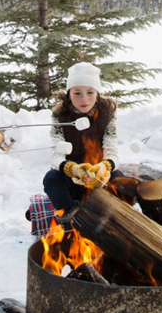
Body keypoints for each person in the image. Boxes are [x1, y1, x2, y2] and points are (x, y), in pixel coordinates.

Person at [43, 62, 120, 216]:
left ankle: (110, 217)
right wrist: (72, 169)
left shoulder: (107, 113)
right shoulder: (60, 115)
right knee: (51, 179)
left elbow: (112, 149)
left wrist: (105, 166)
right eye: (77, 93)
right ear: (69, 94)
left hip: (98, 175)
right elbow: (55, 153)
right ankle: (72, 216)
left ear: (97, 93)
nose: (84, 99)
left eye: (90, 92)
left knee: (121, 181)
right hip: (73, 177)